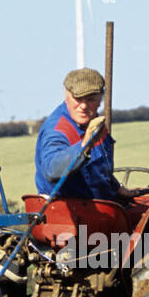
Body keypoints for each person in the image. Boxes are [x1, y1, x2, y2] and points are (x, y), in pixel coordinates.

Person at [33, 68, 133, 201]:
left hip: (100, 207)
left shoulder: (95, 124)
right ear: (66, 95)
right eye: (78, 99)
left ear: (100, 99)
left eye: (90, 99)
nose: (84, 106)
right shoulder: (58, 129)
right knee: (86, 224)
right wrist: (84, 146)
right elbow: (52, 170)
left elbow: (98, 167)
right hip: (72, 214)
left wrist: (116, 187)